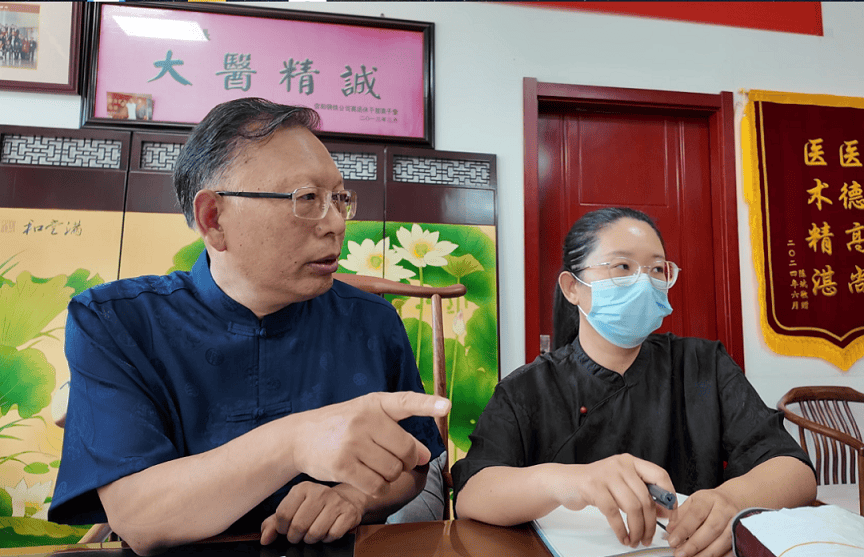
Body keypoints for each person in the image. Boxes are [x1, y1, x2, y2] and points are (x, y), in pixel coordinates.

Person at [49, 98, 448, 555]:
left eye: (339, 198)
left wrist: (353, 497)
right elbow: (139, 518)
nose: (336, 223)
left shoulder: (372, 321)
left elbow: (414, 464)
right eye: (307, 199)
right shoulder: (116, 321)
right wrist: (296, 442)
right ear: (214, 219)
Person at [452, 207, 816, 557]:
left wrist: (732, 500)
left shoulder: (703, 365)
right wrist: (570, 481)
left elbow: (793, 469)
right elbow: (472, 493)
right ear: (572, 287)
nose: (643, 282)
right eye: (623, 266)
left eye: (656, 269)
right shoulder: (527, 389)